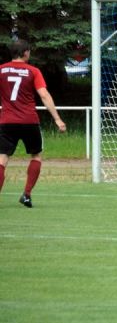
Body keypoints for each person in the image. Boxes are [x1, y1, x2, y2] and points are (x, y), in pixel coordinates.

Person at [0, 39, 67, 207]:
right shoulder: (33, 71)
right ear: (25, 53)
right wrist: (57, 119)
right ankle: (27, 195)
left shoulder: (1, 70)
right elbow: (44, 95)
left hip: (7, 121)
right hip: (29, 121)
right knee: (36, 155)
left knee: (2, 159)